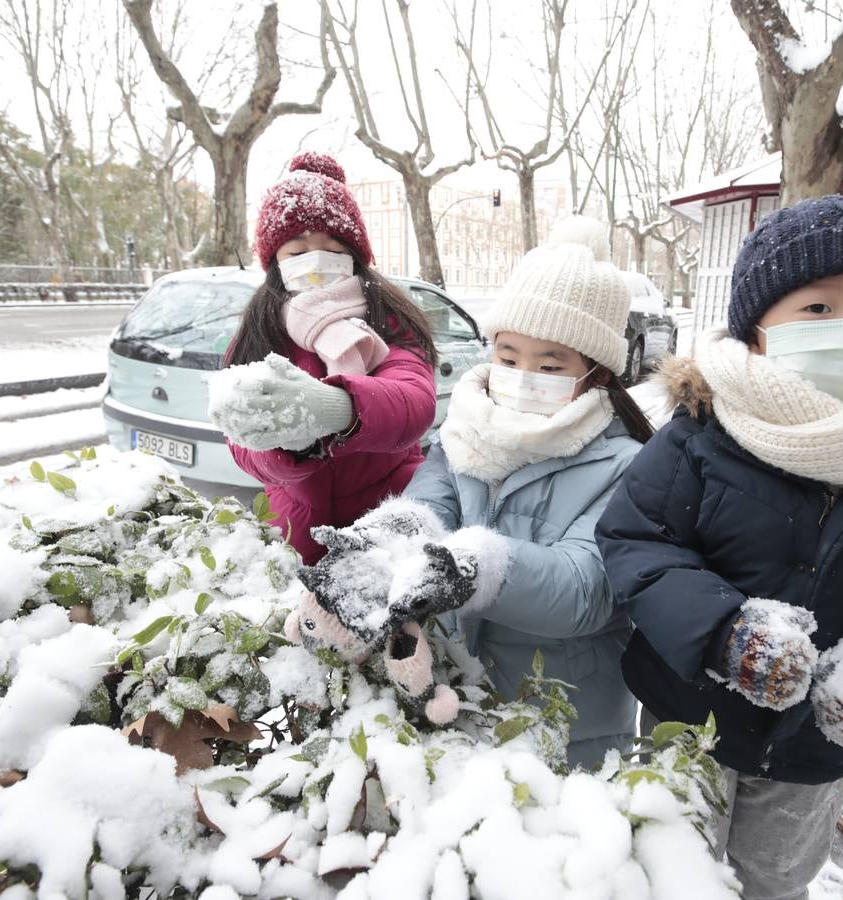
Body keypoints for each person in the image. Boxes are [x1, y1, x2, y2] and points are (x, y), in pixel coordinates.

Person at [596, 195, 843, 899]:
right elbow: (638, 542)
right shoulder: (701, 435)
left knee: (778, 878)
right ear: (758, 329)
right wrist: (722, 632)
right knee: (667, 865)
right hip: (687, 712)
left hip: (816, 746)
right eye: (818, 308)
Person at [301, 216, 653, 768]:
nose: (521, 374)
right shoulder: (466, 427)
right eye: (509, 357)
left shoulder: (629, 465)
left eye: (550, 364)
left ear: (597, 373)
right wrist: (379, 543)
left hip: (565, 724)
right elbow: (428, 506)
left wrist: (475, 568)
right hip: (462, 699)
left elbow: (586, 591)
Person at [208, 152, 438, 565]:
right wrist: (288, 446)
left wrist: (336, 409)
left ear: (354, 255)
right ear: (275, 263)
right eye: (296, 252)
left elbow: (413, 403)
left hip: (388, 527)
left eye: (330, 248)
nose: (313, 262)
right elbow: (239, 441)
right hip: (294, 531)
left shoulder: (390, 321)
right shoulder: (260, 332)